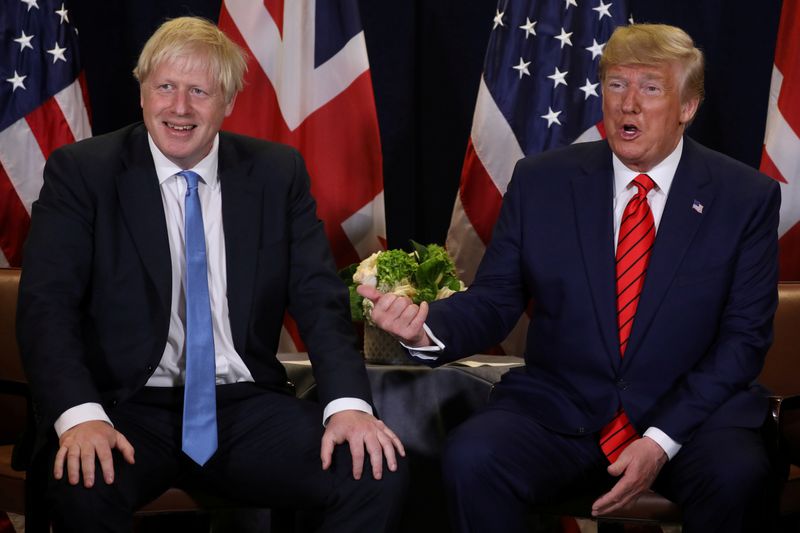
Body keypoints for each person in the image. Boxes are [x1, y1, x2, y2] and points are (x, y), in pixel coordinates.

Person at [361, 23, 779, 532]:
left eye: (650, 88)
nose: (628, 104)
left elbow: (743, 340)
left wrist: (660, 440)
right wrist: (426, 328)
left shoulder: (744, 198)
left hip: (691, 419)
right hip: (561, 409)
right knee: (475, 457)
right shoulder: (542, 181)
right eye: (616, 85)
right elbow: (495, 301)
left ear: (687, 107)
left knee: (739, 474)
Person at [17, 16, 407, 532]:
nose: (180, 108)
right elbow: (47, 309)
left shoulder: (275, 173)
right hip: (123, 405)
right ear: (142, 93)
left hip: (244, 408)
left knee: (371, 469)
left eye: (200, 91)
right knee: (83, 484)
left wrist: (349, 406)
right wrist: (80, 415)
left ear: (229, 102)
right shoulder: (83, 171)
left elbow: (317, 298)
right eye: (166, 88)